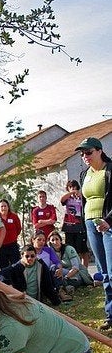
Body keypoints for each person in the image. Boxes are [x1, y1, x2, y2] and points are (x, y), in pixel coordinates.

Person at [77, 136, 112, 330]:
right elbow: (84, 202)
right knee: (104, 272)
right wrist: (85, 222)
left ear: (99, 150)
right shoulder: (84, 175)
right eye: (82, 154)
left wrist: (108, 221)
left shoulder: (110, 170)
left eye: (88, 152)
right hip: (91, 224)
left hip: (109, 224)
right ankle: (110, 315)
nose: (85, 156)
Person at [30, 230, 70, 301]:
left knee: (54, 267)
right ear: (33, 240)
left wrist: (60, 268)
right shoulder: (29, 252)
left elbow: (57, 262)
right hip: (35, 276)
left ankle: (61, 291)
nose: (42, 242)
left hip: (49, 275)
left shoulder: (48, 250)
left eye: (43, 240)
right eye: (39, 240)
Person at [60, 180, 89, 266]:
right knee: (72, 250)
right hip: (69, 228)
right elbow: (62, 200)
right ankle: (75, 268)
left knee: (83, 251)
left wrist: (80, 195)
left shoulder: (81, 197)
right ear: (68, 189)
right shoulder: (67, 198)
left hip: (80, 227)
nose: (73, 188)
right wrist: (71, 193)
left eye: (74, 187)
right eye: (71, 187)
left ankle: (85, 271)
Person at [0, 199, 22, 269]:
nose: (3, 208)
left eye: (5, 206)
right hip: (1, 247)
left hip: (12, 246)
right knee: (4, 268)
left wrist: (12, 237)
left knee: (16, 266)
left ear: (8, 207)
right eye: (1, 206)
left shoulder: (14, 216)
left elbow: (18, 229)